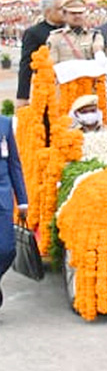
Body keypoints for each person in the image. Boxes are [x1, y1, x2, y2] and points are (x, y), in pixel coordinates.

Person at [0, 111, 29, 310]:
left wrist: (22, 201)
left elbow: (14, 164)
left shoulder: (5, 124)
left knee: (8, 249)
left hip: (3, 196)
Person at [16, 0, 64, 106]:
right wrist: (22, 96)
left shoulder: (69, 29)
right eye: (60, 9)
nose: (64, 12)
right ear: (48, 12)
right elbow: (26, 64)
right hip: (47, 87)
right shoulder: (34, 33)